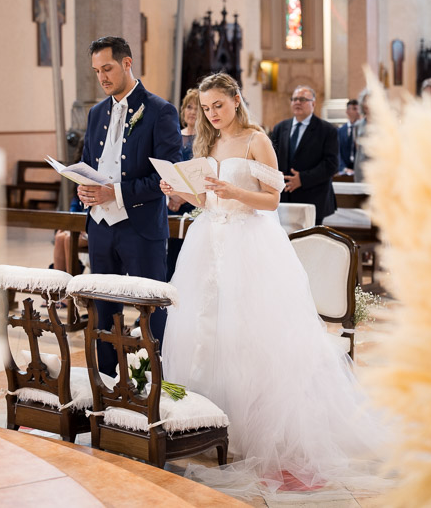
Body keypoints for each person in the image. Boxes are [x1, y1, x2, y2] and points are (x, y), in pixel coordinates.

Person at [160, 73, 390, 498]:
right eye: (206, 108)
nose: (212, 114)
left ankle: (248, 427)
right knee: (205, 328)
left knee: (247, 332)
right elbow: (206, 200)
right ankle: (205, 421)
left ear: (236, 100)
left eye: (218, 106)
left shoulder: (256, 140)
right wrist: (179, 191)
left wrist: (234, 191)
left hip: (248, 242)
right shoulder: (208, 142)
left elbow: (273, 199)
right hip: (209, 240)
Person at [76, 36, 182, 376]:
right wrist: (84, 188)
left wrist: (116, 193)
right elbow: (88, 163)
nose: (102, 77)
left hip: (141, 228)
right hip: (100, 228)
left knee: (150, 309)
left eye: (107, 68)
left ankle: (157, 383)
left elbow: (166, 175)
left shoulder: (160, 111)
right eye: (96, 71)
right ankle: (108, 383)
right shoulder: (96, 113)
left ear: (127, 63)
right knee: (103, 311)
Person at [270, 85, 339, 224]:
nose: (297, 102)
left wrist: (302, 179)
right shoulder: (280, 128)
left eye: (302, 99)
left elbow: (331, 165)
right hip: (284, 196)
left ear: (313, 103)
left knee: (311, 236)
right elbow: (272, 157)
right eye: (294, 99)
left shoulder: (327, 130)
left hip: (313, 196)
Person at [166, 87, 199, 279]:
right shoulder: (174, 137)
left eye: (197, 108)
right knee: (171, 254)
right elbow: (166, 168)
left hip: (194, 204)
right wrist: (172, 196)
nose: (192, 112)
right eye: (189, 107)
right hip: (170, 203)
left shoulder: (205, 139)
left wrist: (182, 197)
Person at [337, 98, 360, 174]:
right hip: (344, 171)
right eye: (354, 109)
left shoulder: (364, 130)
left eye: (358, 109)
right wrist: (343, 168)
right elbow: (338, 152)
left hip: (360, 170)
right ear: (347, 111)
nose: (357, 111)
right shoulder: (340, 131)